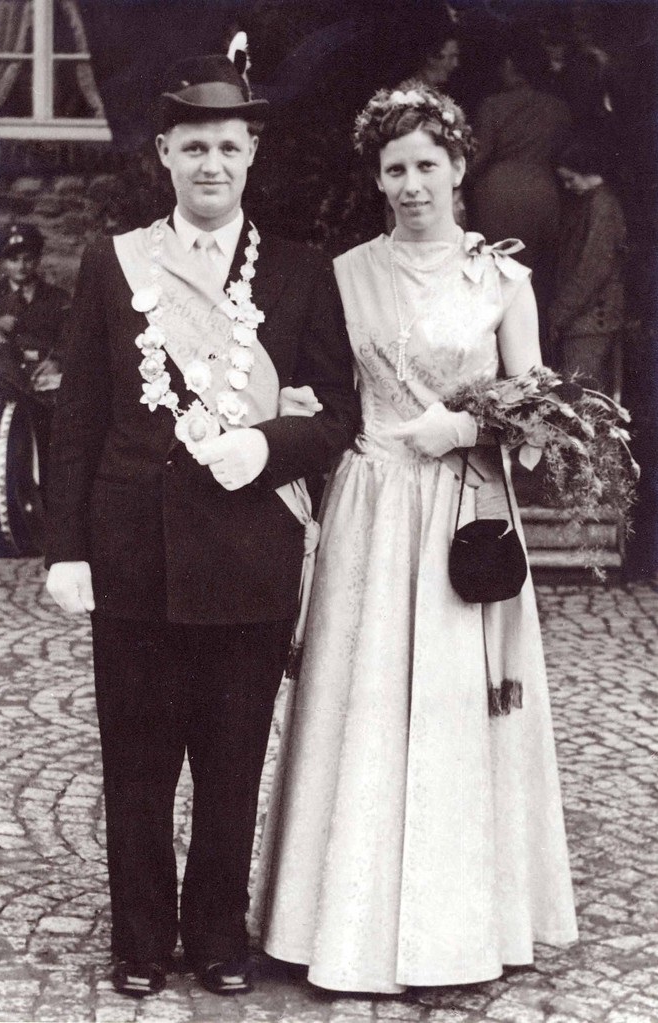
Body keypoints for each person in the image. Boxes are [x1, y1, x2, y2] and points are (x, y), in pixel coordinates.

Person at [44, 53, 359, 999]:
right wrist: (66, 549)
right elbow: (79, 416)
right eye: (193, 148)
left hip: (248, 552)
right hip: (134, 552)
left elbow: (337, 415)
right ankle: (141, 939)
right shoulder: (115, 262)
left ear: (251, 154)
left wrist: (265, 445)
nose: (211, 164)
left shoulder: (301, 270)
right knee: (136, 763)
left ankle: (219, 934)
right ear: (164, 155)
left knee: (230, 763)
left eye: (227, 146)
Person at [251, 81, 578, 994]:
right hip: (372, 504)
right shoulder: (346, 273)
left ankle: (453, 933)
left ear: (459, 166)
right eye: (393, 168)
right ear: (376, 177)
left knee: (452, 706)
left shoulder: (501, 280)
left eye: (427, 164)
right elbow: (322, 389)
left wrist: (467, 427)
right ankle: (334, 925)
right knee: (357, 700)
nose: (411, 184)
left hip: (464, 507)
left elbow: (541, 404)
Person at [467, 34, 572, 352]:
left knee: (494, 273)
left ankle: (496, 352)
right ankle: (534, 352)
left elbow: (479, 157)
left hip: (499, 195)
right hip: (544, 194)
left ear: (512, 65)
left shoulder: (492, 105)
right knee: (536, 277)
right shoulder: (558, 108)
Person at [0, 223, 69, 498]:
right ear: (3, 263)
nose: (22, 266)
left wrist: (58, 360)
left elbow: (72, 335)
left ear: (37, 260)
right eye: (14, 260)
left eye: (28, 259)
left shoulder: (56, 297)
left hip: (45, 377)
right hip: (5, 380)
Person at [548, 138, 626, 396]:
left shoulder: (603, 207)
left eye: (571, 179)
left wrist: (559, 313)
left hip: (591, 320)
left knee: (581, 397)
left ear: (588, 170)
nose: (567, 186)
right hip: (583, 319)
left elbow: (591, 270)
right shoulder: (592, 203)